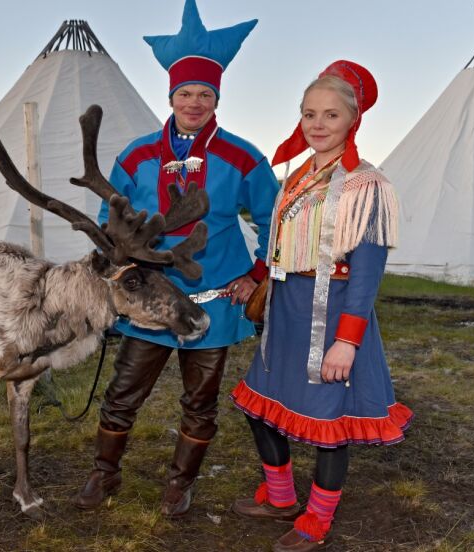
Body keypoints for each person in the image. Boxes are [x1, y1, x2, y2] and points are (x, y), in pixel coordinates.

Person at [73, 0, 279, 518]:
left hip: (214, 300)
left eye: (204, 94)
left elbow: (276, 223)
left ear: (216, 98)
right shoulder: (138, 155)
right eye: (185, 93)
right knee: (124, 391)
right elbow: (109, 215)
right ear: (172, 96)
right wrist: (118, 266)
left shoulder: (243, 157)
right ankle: (104, 473)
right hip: (149, 301)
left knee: (200, 400)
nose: (194, 102)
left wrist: (255, 276)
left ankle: (178, 483)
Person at [229, 61, 412, 551]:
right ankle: (282, 496)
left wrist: (346, 342)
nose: (317, 124)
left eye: (330, 115)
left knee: (329, 425)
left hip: (331, 313)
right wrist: (256, 281)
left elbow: (369, 272)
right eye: (309, 113)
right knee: (259, 406)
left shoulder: (366, 185)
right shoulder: (297, 177)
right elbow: (282, 245)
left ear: (352, 120)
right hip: (286, 309)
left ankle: (317, 519)